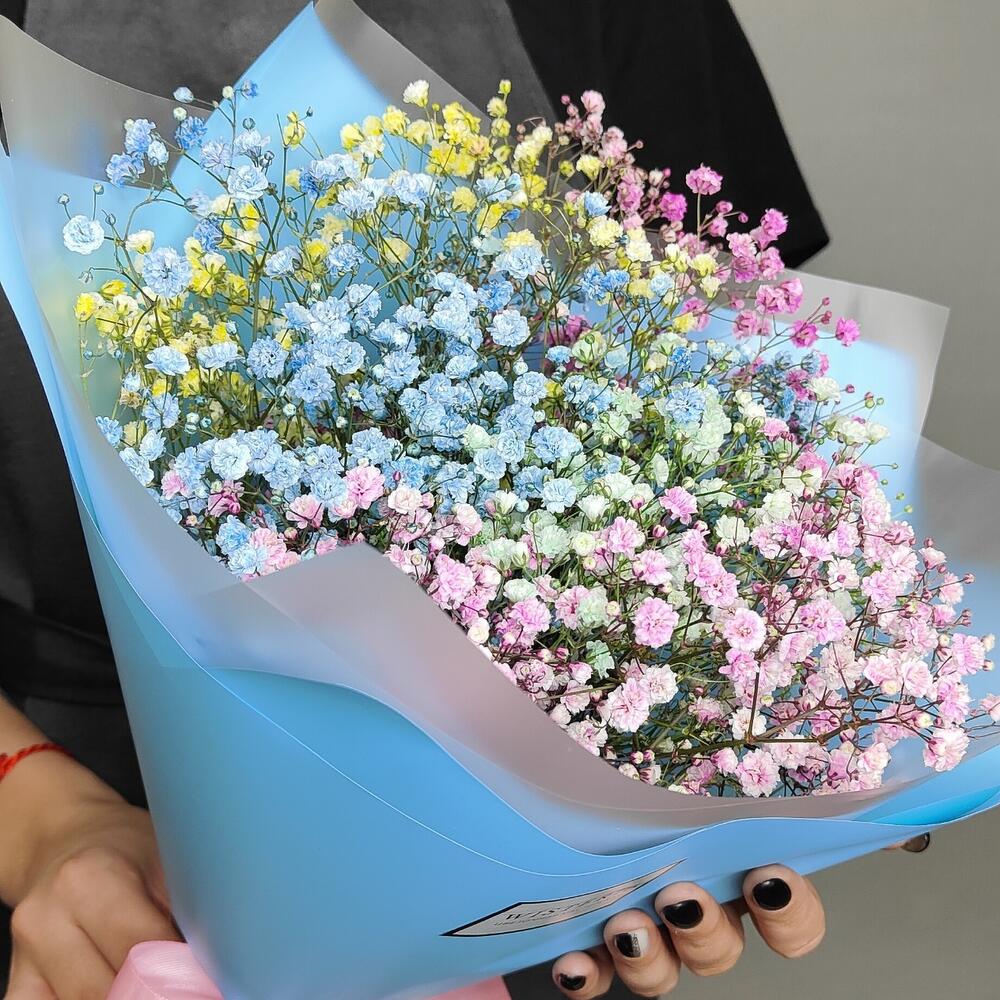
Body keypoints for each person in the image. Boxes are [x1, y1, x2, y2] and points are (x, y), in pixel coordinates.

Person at [0, 1, 875, 997]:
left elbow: (739, 426)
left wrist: (734, 756)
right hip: (81, 861)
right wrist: (44, 822)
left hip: (535, 866)